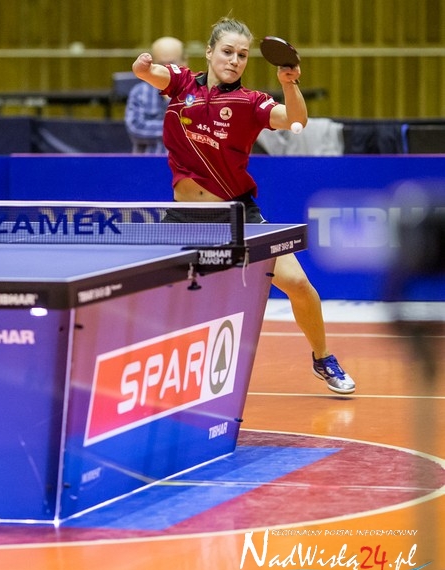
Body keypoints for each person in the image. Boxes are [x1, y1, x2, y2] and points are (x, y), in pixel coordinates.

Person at [131, 16, 356, 394]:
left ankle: (323, 358)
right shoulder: (182, 84)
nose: (234, 60)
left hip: (238, 214)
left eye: (242, 55)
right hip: (185, 216)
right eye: (227, 52)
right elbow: (149, 73)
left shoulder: (251, 102)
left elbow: (296, 120)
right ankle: (147, 369)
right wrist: (142, 66)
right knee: (143, 290)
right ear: (209, 52)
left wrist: (289, 84)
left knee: (298, 284)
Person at [124, 36, 186, 154]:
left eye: (172, 63)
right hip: (147, 163)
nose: (167, 69)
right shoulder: (139, 92)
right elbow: (135, 129)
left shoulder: (196, 92)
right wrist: (178, 128)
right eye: (161, 64)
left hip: (184, 164)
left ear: (184, 61)